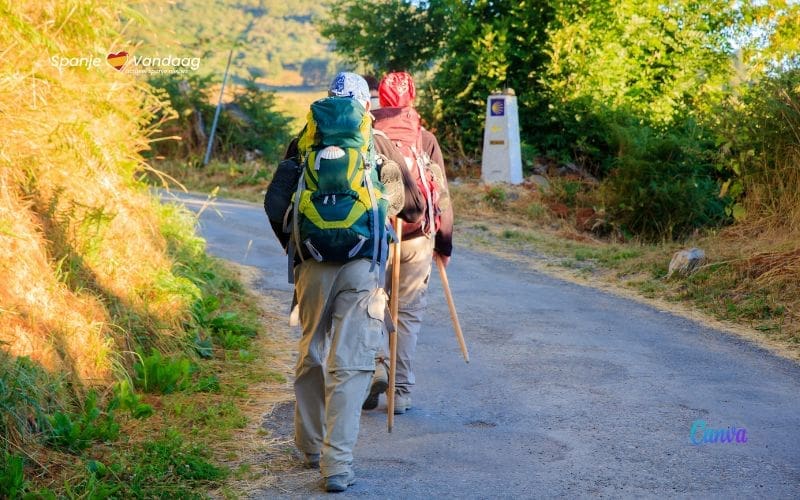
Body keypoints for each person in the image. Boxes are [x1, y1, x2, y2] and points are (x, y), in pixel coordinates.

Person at [264, 72, 423, 493]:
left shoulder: (304, 142)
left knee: (312, 350)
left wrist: (295, 245)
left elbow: (274, 201)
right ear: (365, 105)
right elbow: (410, 203)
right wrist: (382, 214)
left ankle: (308, 446)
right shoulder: (376, 141)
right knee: (351, 362)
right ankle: (335, 466)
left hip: (311, 265)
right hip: (362, 265)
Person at [363, 71, 454, 415]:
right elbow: (441, 194)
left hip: (376, 236)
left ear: (380, 98)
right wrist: (444, 245)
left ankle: (375, 367)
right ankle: (399, 393)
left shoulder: (367, 133)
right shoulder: (424, 138)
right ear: (411, 98)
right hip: (417, 237)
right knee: (408, 316)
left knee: (372, 306)